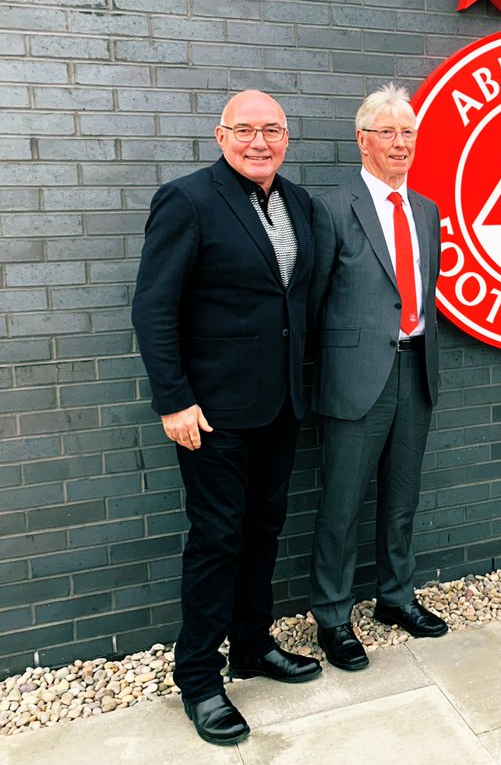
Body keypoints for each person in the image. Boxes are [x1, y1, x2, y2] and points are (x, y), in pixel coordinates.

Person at [131, 90, 320, 746]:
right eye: (246, 129)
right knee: (217, 537)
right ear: (220, 135)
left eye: (272, 130)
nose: (259, 141)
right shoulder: (187, 200)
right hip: (211, 414)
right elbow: (153, 307)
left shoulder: (299, 203)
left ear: (287, 139)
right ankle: (199, 677)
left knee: (265, 527)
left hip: (281, 406)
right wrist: (174, 399)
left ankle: (252, 644)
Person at [307, 84, 445, 672]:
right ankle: (333, 618)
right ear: (362, 142)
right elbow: (311, 302)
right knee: (341, 505)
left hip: (414, 369)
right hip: (354, 379)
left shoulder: (426, 210)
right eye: (386, 133)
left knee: (402, 499)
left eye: (407, 132)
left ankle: (395, 597)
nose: (399, 144)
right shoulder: (333, 209)